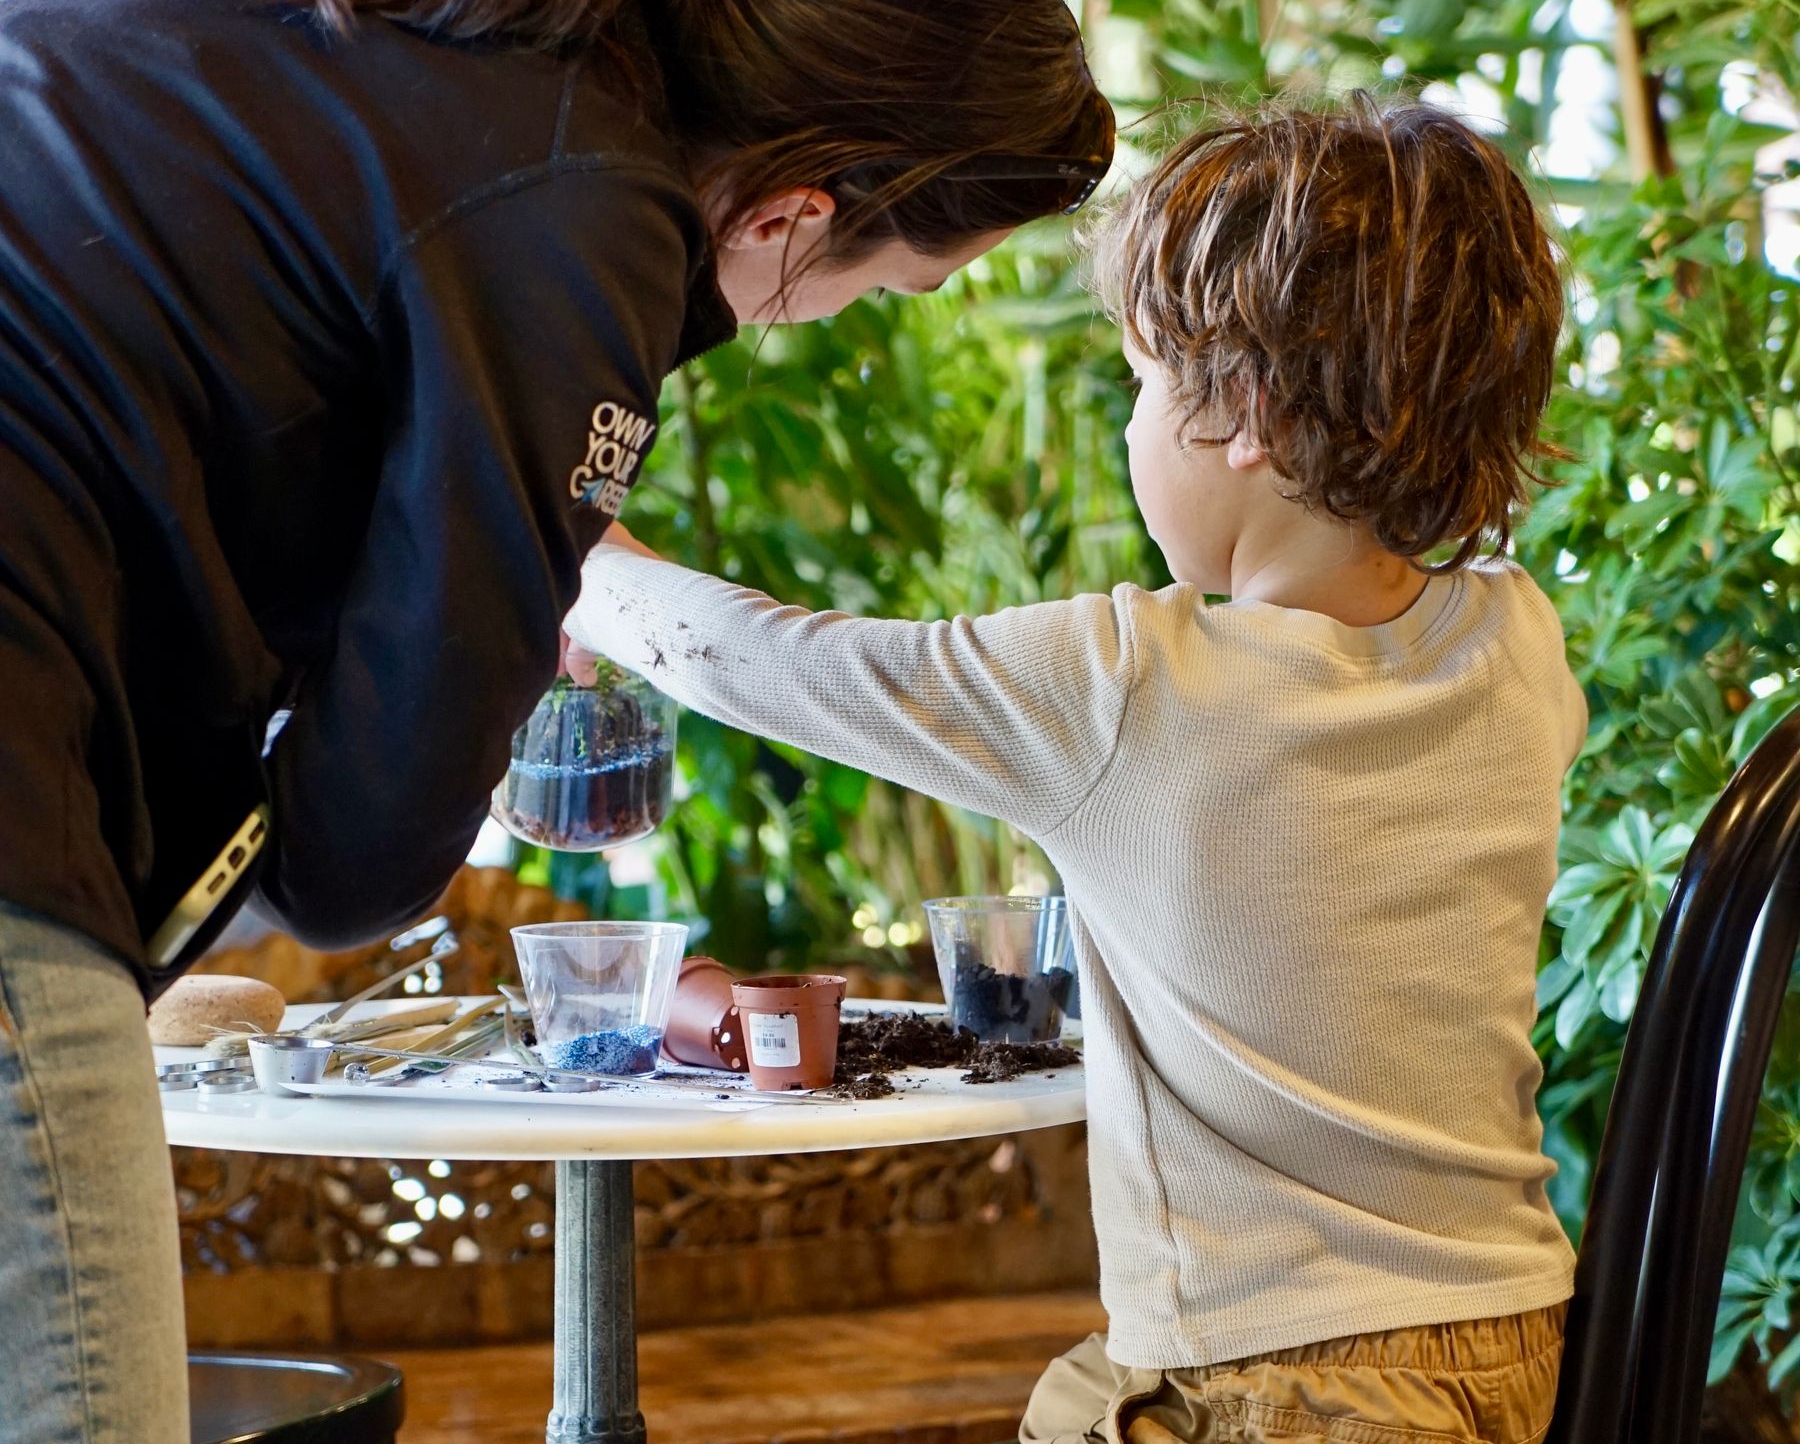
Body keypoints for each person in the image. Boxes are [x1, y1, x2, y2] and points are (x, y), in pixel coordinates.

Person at [0, 0, 1113, 1442]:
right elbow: (361, 851)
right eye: (893, 282)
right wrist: (483, 627)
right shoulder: (590, 198)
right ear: (804, 208)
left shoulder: (431, 21)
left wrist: (476, 575)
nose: (845, 313)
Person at [570, 99, 1583, 1444]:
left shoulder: (1130, 687)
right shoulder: (1516, 642)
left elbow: (774, 664)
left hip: (1273, 1386)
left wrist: (572, 563)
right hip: (1507, 1345)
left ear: (1253, 417)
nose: (1133, 426)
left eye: (1147, 385)